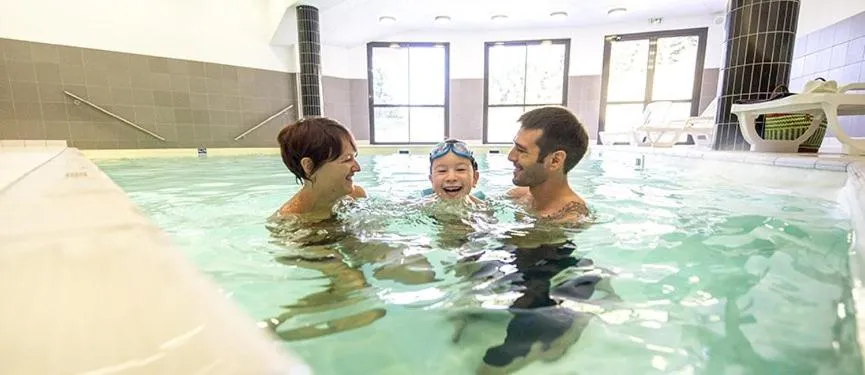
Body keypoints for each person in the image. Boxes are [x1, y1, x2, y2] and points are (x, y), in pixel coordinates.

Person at [506, 106, 590, 224]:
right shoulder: (519, 195)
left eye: (521, 150)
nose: (510, 156)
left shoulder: (570, 218)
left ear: (555, 160)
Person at [273, 117, 366, 220]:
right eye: (347, 159)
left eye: (354, 157)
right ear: (309, 166)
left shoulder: (356, 196)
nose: (357, 168)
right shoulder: (289, 220)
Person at [424, 139, 485, 205]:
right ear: (432, 180)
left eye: (460, 169)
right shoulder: (420, 207)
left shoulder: (485, 209)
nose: (451, 178)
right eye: (442, 170)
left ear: (475, 178)